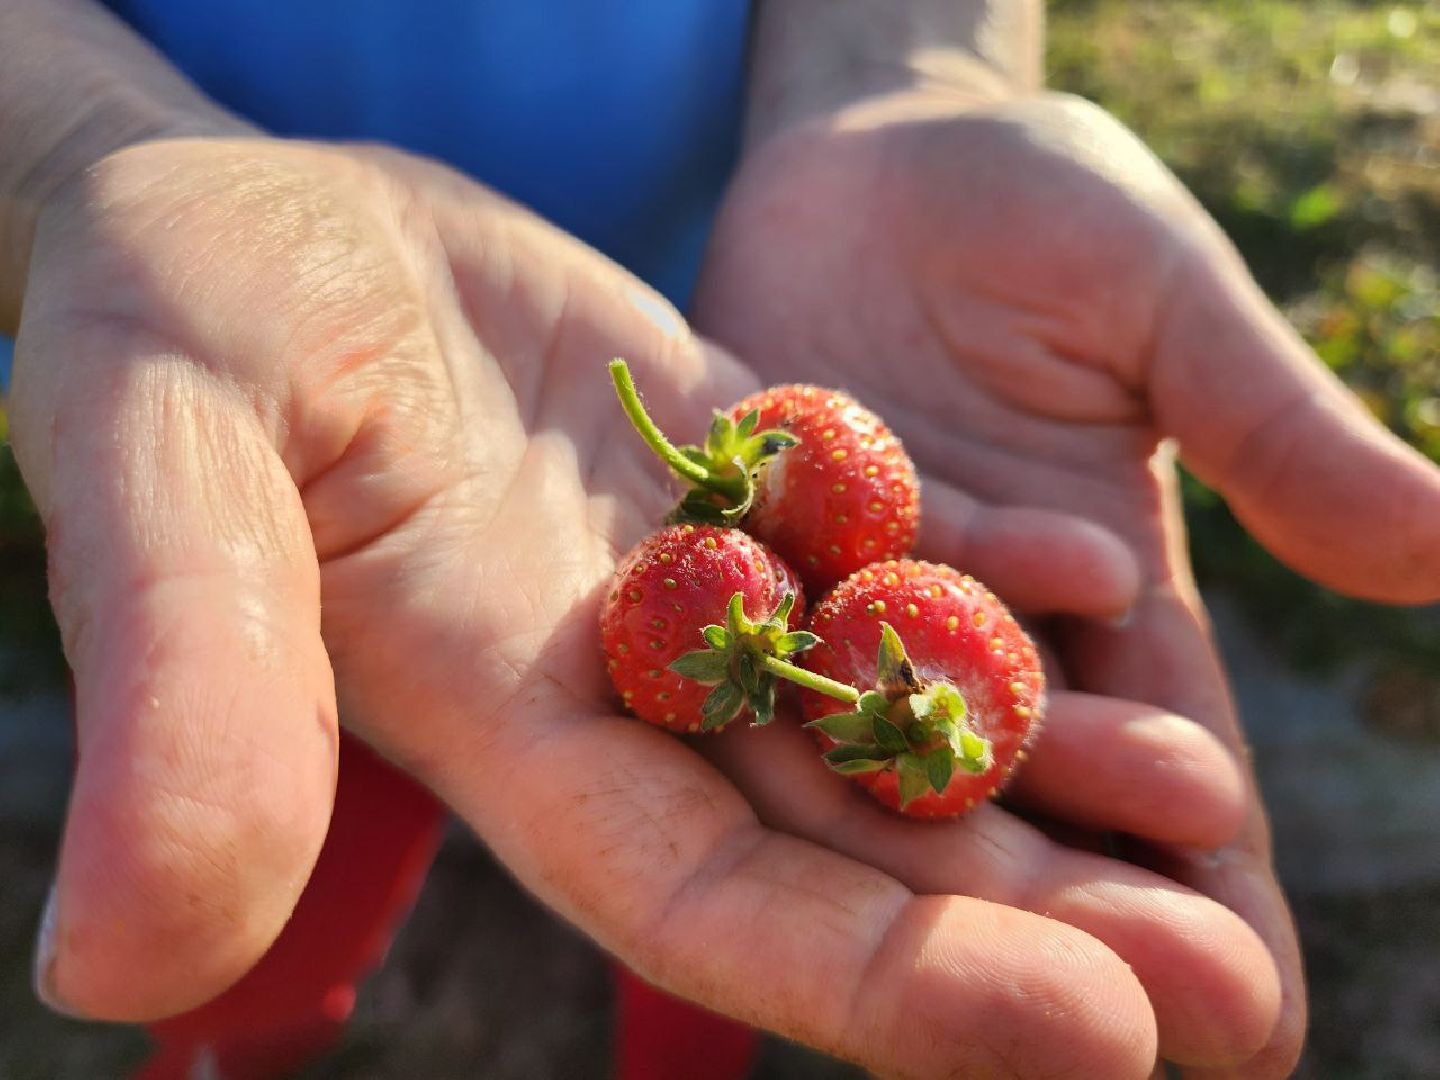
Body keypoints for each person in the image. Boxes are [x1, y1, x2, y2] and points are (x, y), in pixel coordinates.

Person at [4, 1, 1439, 1076]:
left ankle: (684, 1047)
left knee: (730, 876)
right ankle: (253, 1033)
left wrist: (898, 71)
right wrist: (79, 146)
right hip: (290, 383)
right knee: (266, 792)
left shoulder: (752, 573)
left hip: (723, 308)